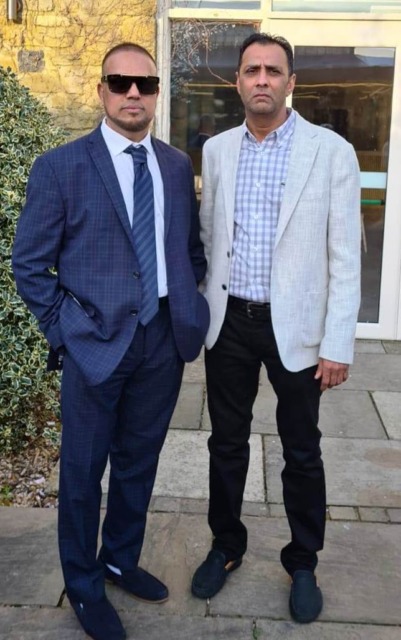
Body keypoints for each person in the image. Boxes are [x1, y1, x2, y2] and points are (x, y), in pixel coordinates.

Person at [12, 42, 209, 640]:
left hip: (162, 341)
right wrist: (66, 332)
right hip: (94, 345)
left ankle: (120, 558)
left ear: (157, 93)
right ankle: (83, 584)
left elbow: (189, 250)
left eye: (144, 83)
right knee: (82, 472)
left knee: (138, 463)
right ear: (101, 91)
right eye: (120, 82)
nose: (133, 93)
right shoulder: (61, 167)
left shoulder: (174, 165)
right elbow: (29, 266)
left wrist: (187, 304)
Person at [191, 32, 360, 624]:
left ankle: (303, 560)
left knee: (302, 449)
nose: (261, 79)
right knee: (225, 443)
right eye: (251, 70)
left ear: (291, 81)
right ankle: (226, 545)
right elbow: (210, 234)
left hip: (298, 328)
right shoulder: (217, 150)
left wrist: (338, 342)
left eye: (272, 70)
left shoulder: (330, 151)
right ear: (237, 81)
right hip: (230, 322)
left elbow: (345, 256)